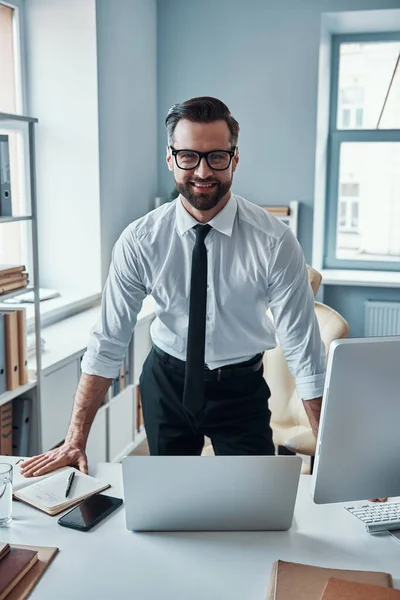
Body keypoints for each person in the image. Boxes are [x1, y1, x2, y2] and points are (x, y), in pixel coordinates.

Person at [21, 96, 325, 478]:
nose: (202, 171)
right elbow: (108, 342)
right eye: (188, 156)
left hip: (240, 389)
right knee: (168, 507)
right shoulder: (141, 239)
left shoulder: (275, 241)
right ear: (170, 159)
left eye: (216, 157)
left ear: (234, 159)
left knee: (256, 506)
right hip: (166, 383)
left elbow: (303, 350)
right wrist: (74, 440)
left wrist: (330, 452)